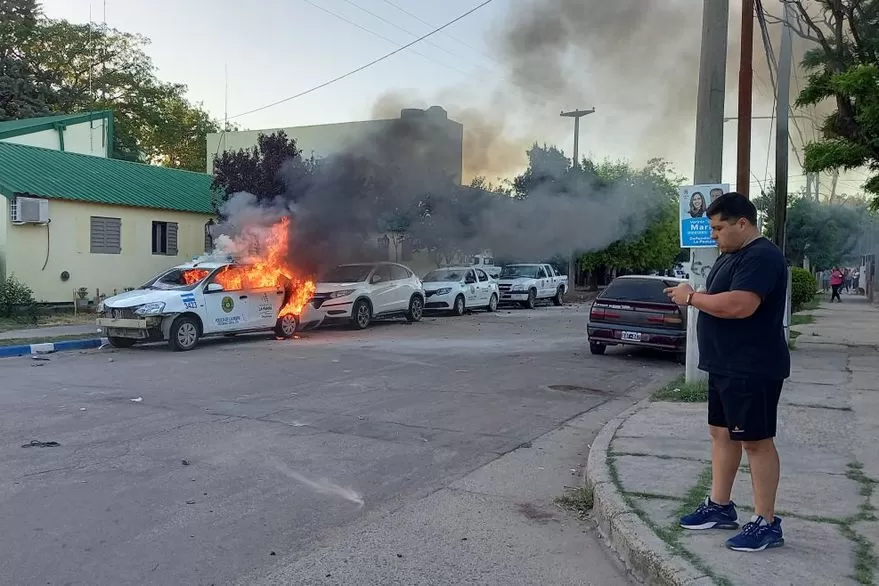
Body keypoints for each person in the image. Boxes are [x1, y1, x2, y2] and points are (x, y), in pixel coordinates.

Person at [664, 192, 789, 552]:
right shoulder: (731, 255)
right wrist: (694, 295)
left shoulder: (762, 256)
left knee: (755, 441)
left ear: (743, 224)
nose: (714, 235)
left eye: (719, 228)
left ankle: (766, 522)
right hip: (724, 365)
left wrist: (691, 297)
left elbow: (739, 305)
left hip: (752, 366)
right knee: (721, 434)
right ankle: (720, 506)